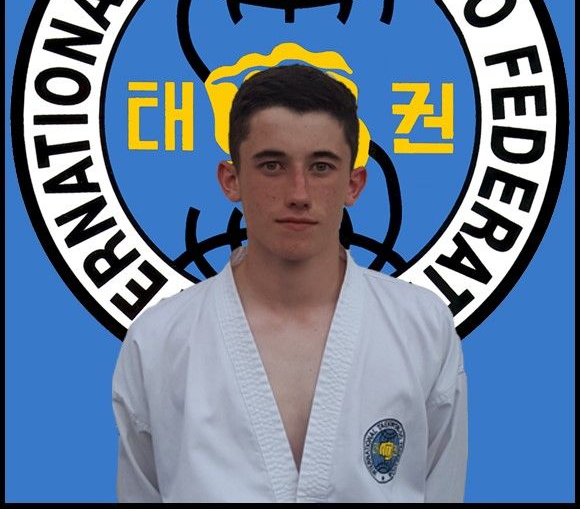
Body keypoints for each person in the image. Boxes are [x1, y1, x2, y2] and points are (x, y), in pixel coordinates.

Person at [112, 64, 467, 503]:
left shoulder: (423, 327)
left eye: (321, 166)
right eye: (272, 165)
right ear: (231, 180)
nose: (298, 193)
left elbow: (444, 489)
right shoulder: (158, 341)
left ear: (353, 184)